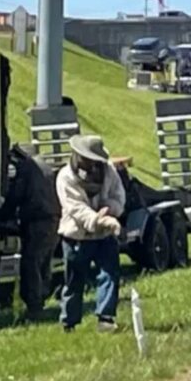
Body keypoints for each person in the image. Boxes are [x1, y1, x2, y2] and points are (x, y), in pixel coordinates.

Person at [56, 135, 126, 333]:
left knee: (110, 274)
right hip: (76, 236)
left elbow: (119, 196)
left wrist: (110, 209)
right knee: (74, 281)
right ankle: (69, 322)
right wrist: (99, 220)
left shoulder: (109, 171)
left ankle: (106, 319)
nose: (93, 164)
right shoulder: (65, 177)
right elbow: (75, 208)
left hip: (104, 236)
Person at [0, 144, 60, 321]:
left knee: (31, 263)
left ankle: (35, 307)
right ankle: (41, 298)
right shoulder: (46, 166)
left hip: (37, 221)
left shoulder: (27, 168)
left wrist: (3, 214)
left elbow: (17, 195)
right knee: (44, 262)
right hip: (53, 219)